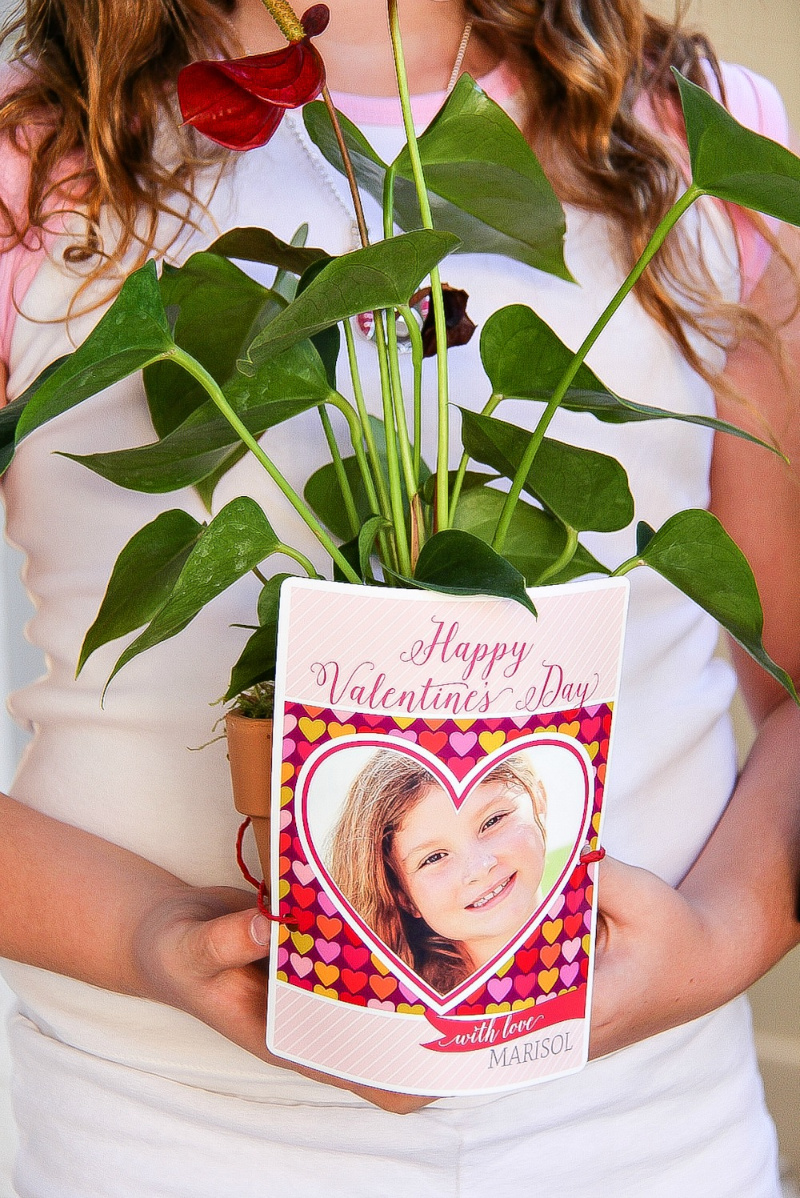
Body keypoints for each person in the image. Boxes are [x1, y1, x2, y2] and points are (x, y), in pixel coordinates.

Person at [0, 0, 799, 1193]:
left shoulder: (684, 140)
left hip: (639, 1128)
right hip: (153, 1126)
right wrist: (143, 934)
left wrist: (717, 943)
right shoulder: (46, 157)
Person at [327, 750, 548, 992]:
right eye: (434, 858)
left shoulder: (596, 915)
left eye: (493, 821)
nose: (479, 867)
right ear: (402, 896)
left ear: (538, 800)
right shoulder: (400, 1011)